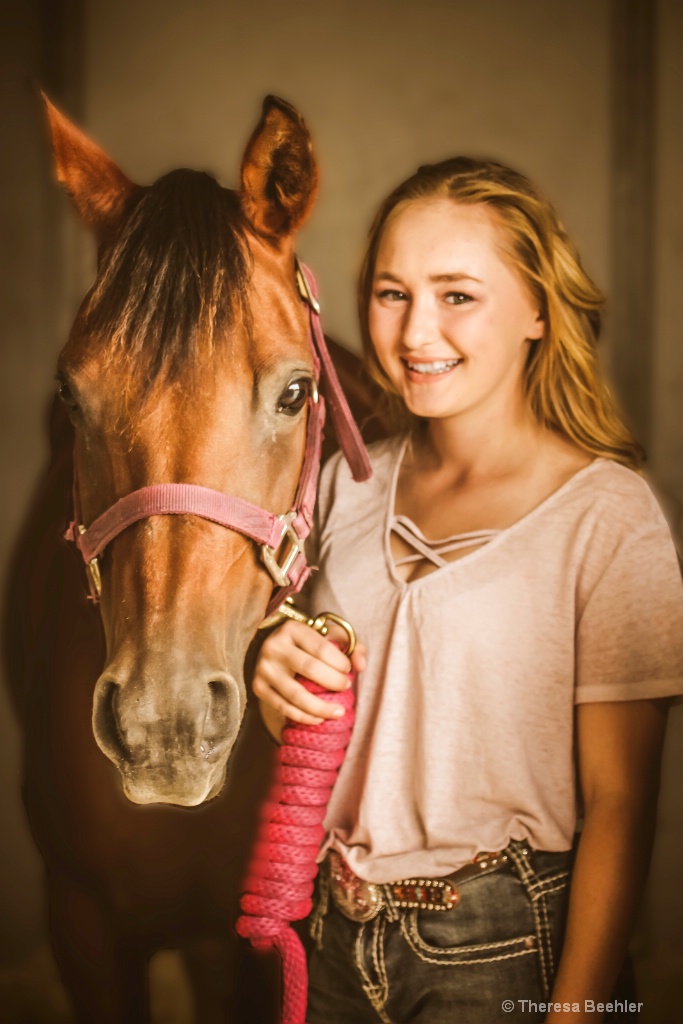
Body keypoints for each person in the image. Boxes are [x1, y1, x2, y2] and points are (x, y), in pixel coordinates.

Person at [252, 157, 683, 1023]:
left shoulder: (605, 516)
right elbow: (329, 736)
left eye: (456, 295)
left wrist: (576, 1015)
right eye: (390, 293)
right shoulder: (343, 486)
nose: (416, 332)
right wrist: (275, 671)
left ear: (534, 310)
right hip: (335, 938)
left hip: (502, 944)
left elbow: (620, 805)